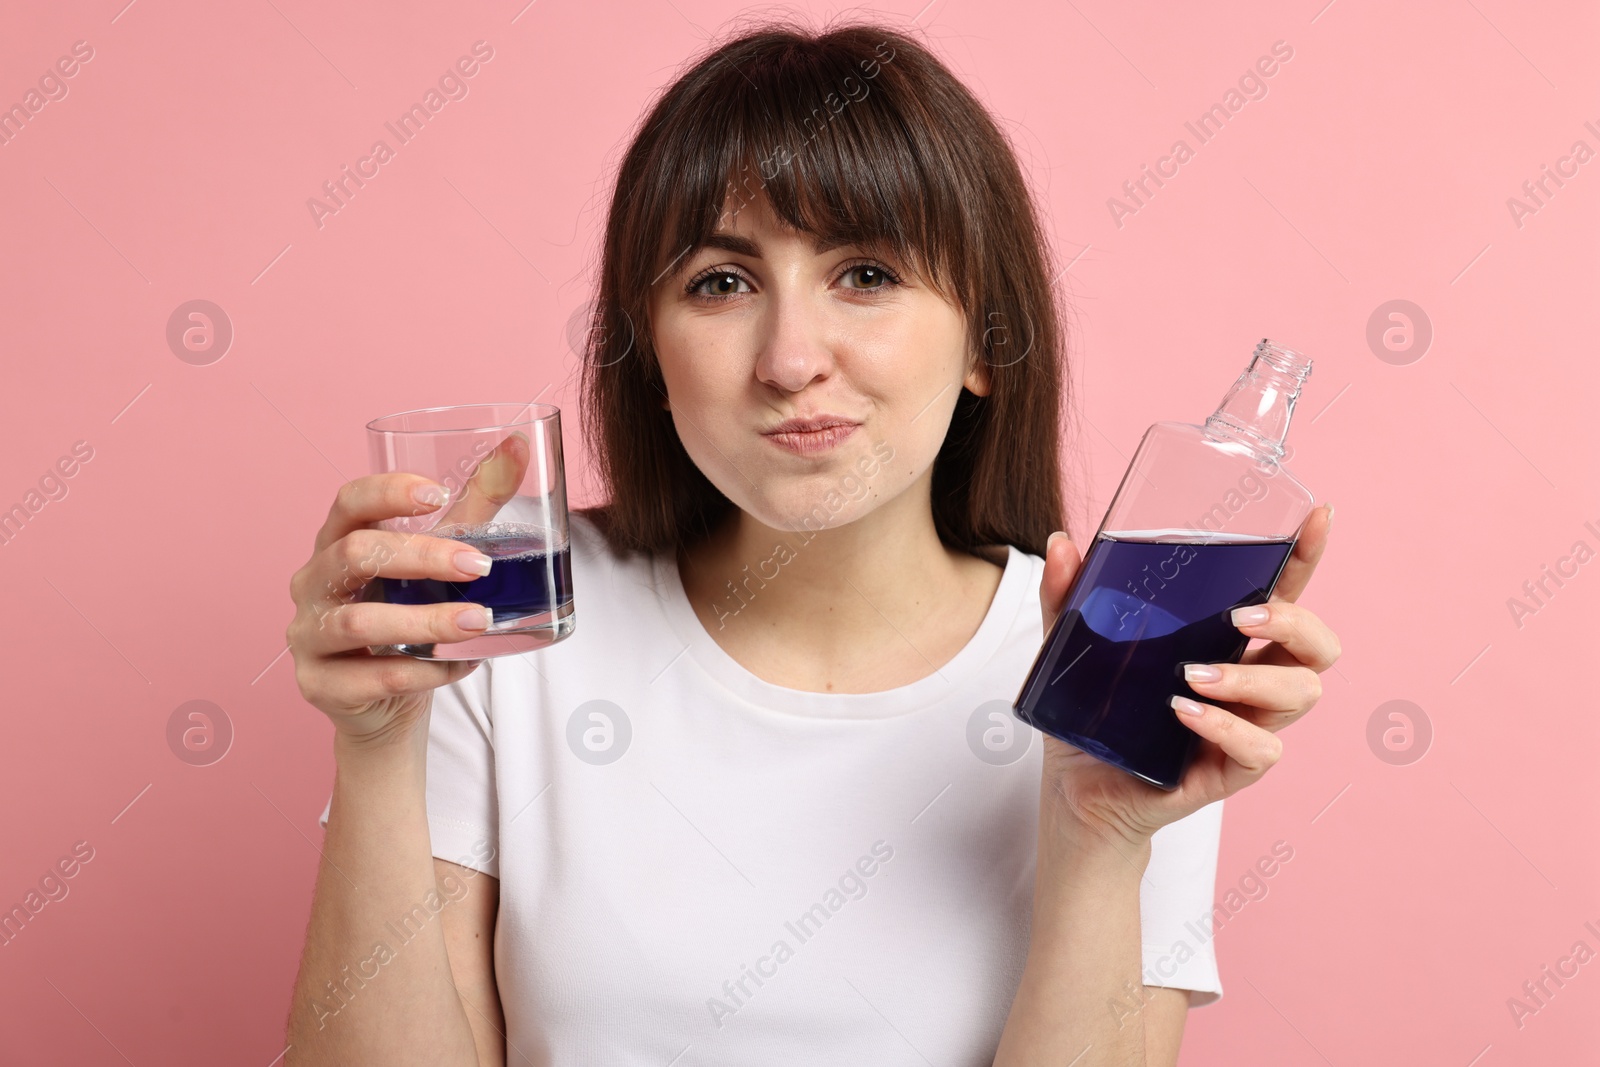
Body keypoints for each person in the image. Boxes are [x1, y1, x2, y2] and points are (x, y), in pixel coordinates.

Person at [282, 19, 1340, 1066]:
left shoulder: (1108, 675)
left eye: (867, 274)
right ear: (648, 353)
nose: (789, 359)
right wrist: (376, 750)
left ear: (986, 341)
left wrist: (1100, 837)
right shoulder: (508, 629)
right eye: (720, 282)